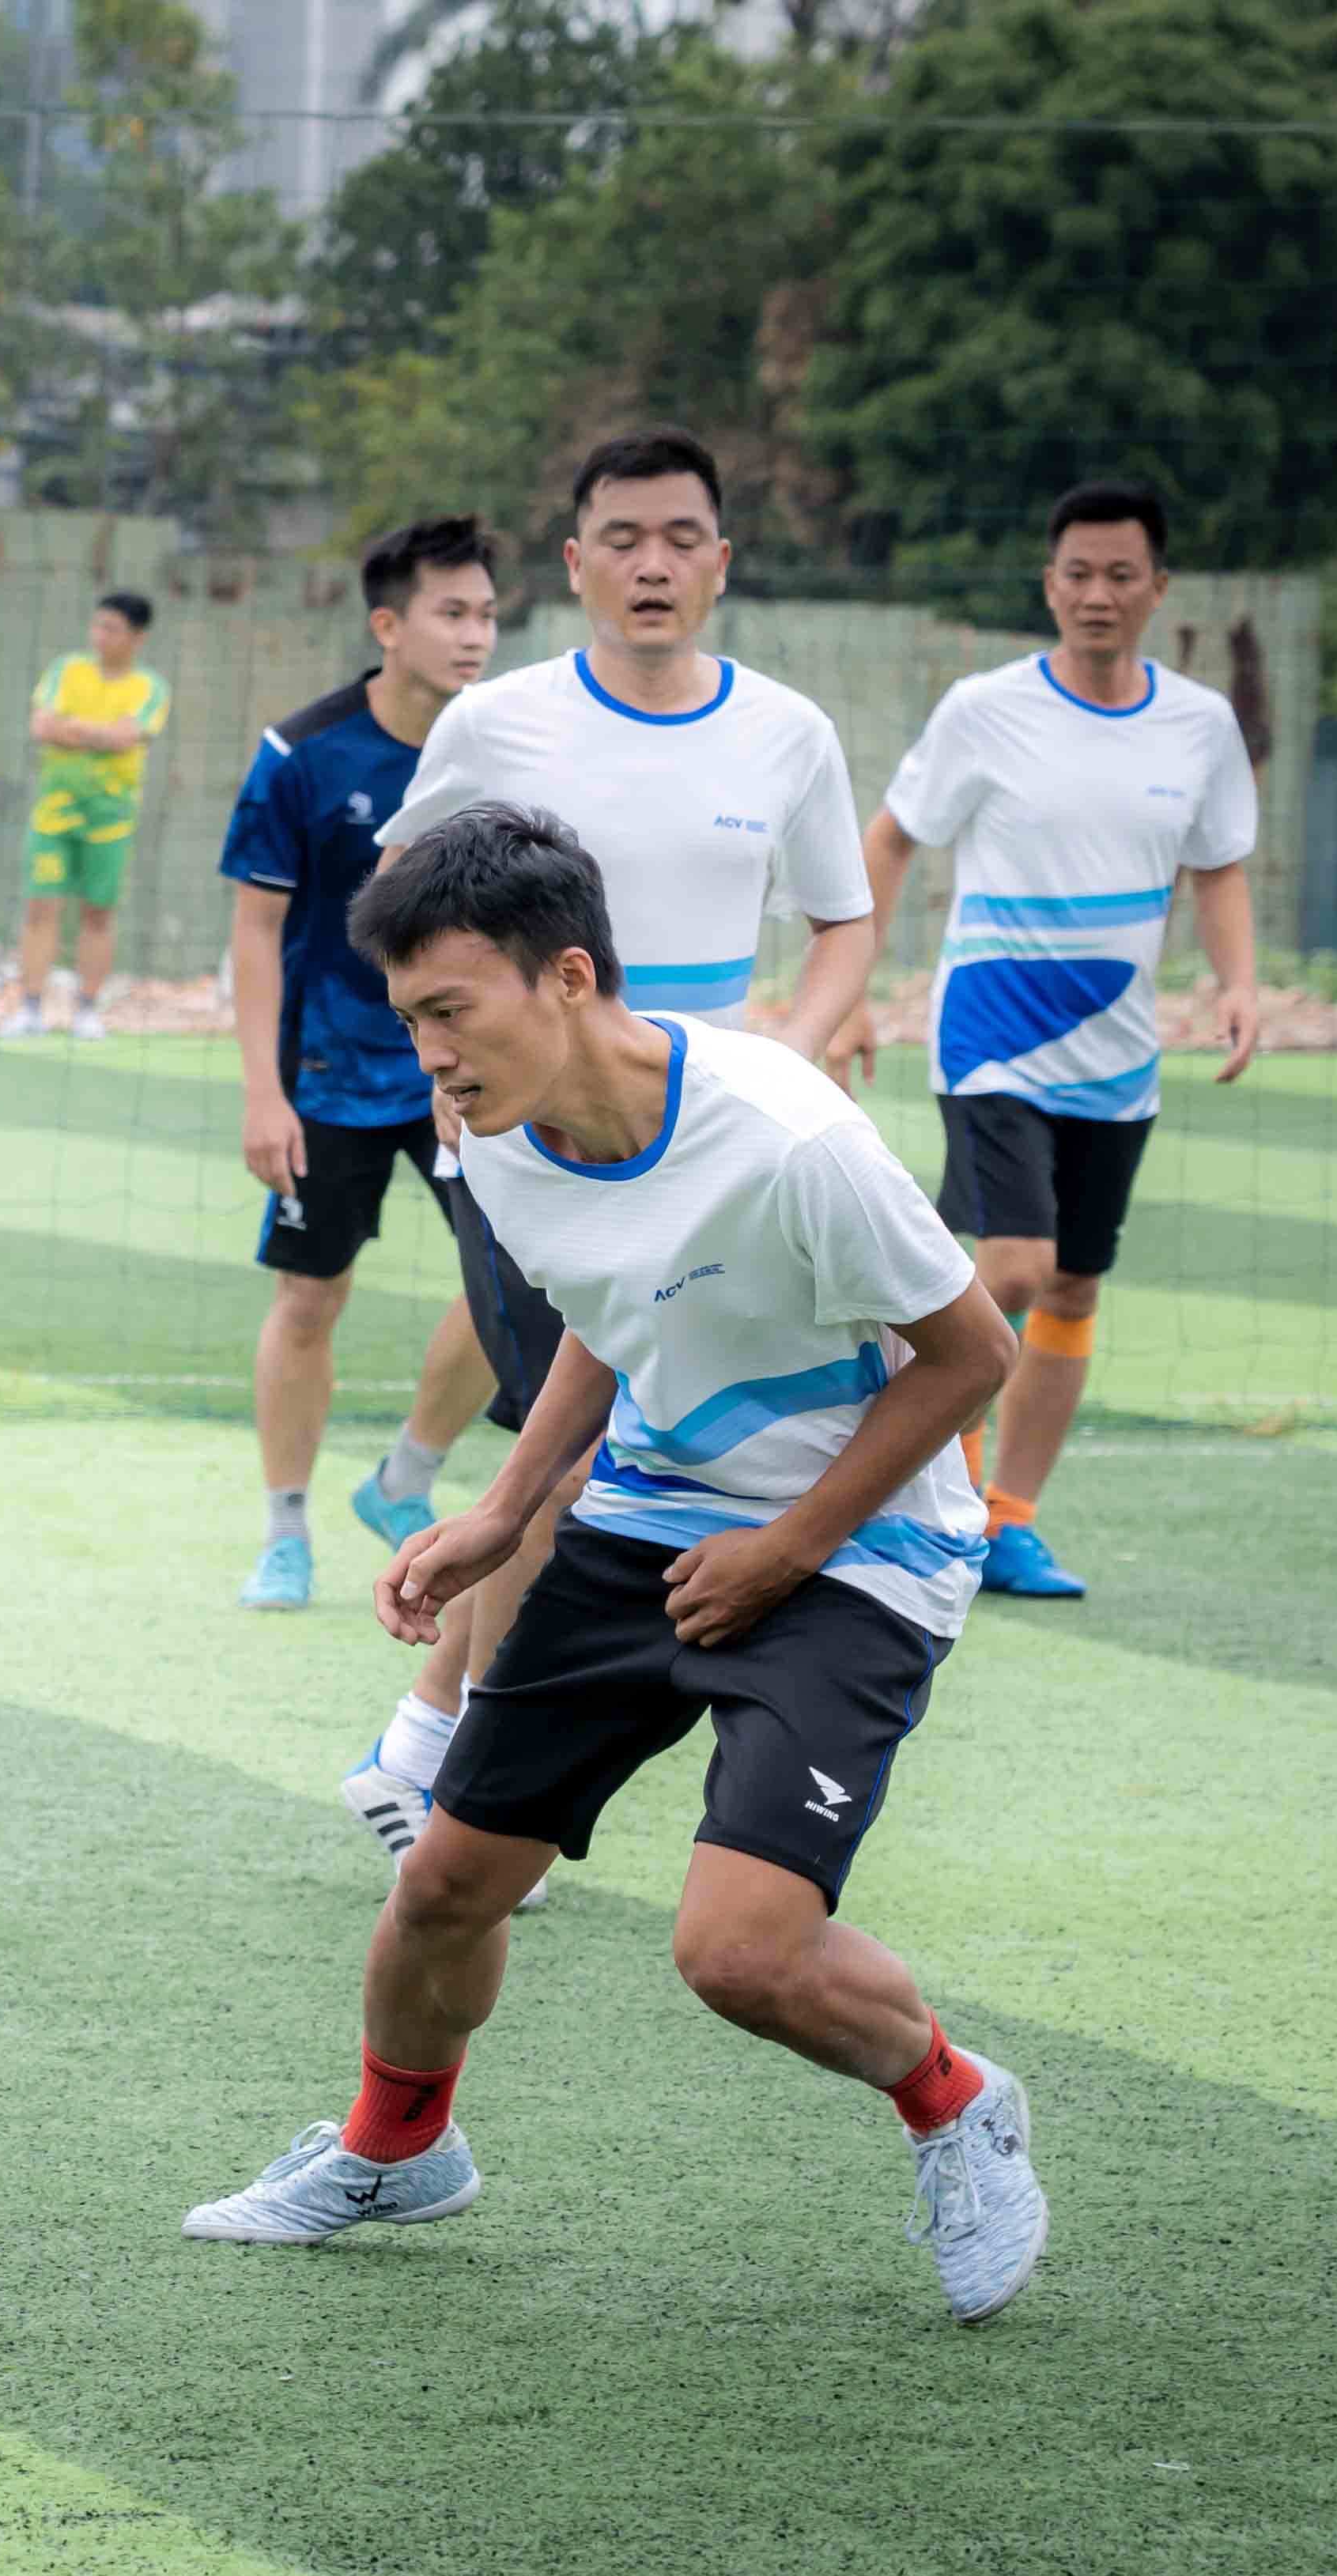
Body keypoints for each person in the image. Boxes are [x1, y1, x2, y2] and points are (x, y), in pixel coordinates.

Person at [184, 802, 1044, 2330]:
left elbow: (970, 1355)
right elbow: (607, 1303)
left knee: (736, 1954)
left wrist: (784, 1548)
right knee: (443, 1886)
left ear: (567, 978)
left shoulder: (784, 1137)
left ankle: (953, 2100)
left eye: (452, 1012)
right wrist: (505, 1510)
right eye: (409, 1020)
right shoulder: (496, 1138)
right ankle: (397, 2150)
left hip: (860, 1548)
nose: (430, 1056)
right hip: (643, 1519)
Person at [332, 428, 878, 1871]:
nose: (651, 564)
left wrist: (788, 1054)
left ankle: (425, 1752)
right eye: (621, 538)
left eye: (679, 537)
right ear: (573, 564)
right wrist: (443, 1063)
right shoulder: (495, 722)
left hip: (722, 1162)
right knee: (563, 1454)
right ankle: (455, 1783)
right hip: (532, 1155)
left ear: (720, 562)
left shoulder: (788, 732)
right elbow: (398, 904)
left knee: (601, 1458)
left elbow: (843, 920)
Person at [851, 479, 1263, 1602]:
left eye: (1120, 575)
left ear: (1157, 589)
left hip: (1117, 1053)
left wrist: (1238, 983)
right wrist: (854, 988)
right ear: (1048, 586)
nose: (1097, 594)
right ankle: (923, 1498)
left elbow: (1218, 867)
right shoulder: (984, 710)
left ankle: (1007, 1519)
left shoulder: (1199, 724)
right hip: (990, 1031)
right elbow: (889, 840)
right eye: (1077, 573)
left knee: (1073, 1287)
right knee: (1013, 1267)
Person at [224, 517, 507, 1614]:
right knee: (309, 1297)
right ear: (387, 625)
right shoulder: (302, 754)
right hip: (327, 1076)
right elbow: (256, 930)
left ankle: (403, 1477)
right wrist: (264, 1092)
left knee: (521, 1277)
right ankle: (283, 1534)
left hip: (466, 1071)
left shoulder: (510, 742)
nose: (474, 634)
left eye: (486, 614)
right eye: (451, 612)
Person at [4, 591, 170, 1040]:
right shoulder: (66, 670)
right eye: (97, 625)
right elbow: (42, 726)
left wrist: (75, 729)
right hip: (53, 816)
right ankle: (30, 1009)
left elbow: (126, 738)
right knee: (41, 908)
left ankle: (87, 1011)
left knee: (98, 914)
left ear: (137, 637)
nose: (100, 636)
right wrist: (101, 734)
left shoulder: (150, 687)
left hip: (111, 820)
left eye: (112, 629)